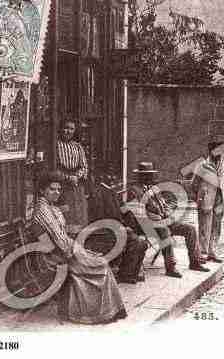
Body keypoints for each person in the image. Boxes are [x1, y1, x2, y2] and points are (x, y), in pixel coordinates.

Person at [33, 171, 127, 324]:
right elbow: (60, 241)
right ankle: (93, 313)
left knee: (99, 260)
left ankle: (105, 310)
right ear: (42, 191)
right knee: (101, 264)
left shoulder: (52, 208)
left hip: (62, 251)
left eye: (58, 189)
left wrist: (81, 250)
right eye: (52, 189)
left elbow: (62, 237)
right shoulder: (43, 210)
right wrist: (79, 253)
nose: (56, 192)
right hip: (55, 257)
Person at [127, 162, 209, 278]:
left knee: (190, 229)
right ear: (141, 176)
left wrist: (168, 213)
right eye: (146, 175)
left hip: (163, 220)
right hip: (147, 225)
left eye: (150, 175)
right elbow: (136, 213)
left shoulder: (154, 188)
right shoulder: (134, 191)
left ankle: (195, 262)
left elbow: (164, 204)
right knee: (164, 231)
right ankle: (171, 267)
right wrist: (154, 217)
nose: (150, 177)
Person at [87, 179, 150, 284]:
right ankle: (125, 274)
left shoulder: (115, 195)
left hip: (117, 228)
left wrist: (129, 226)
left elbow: (126, 212)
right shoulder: (97, 195)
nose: (119, 184)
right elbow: (99, 218)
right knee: (134, 240)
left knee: (140, 242)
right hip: (103, 231)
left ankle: (128, 274)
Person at [192, 142, 224, 264]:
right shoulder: (202, 165)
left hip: (219, 200)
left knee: (216, 227)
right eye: (217, 150)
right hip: (206, 200)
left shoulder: (223, 165)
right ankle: (203, 253)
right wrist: (202, 195)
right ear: (211, 152)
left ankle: (213, 251)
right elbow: (194, 184)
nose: (219, 153)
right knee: (204, 227)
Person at [56, 119, 89, 234]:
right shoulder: (55, 145)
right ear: (60, 129)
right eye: (65, 128)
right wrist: (68, 178)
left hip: (77, 184)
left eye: (71, 129)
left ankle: (80, 239)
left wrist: (76, 176)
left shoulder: (78, 147)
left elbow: (84, 166)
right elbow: (53, 168)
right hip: (62, 184)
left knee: (79, 213)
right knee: (66, 213)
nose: (67, 131)